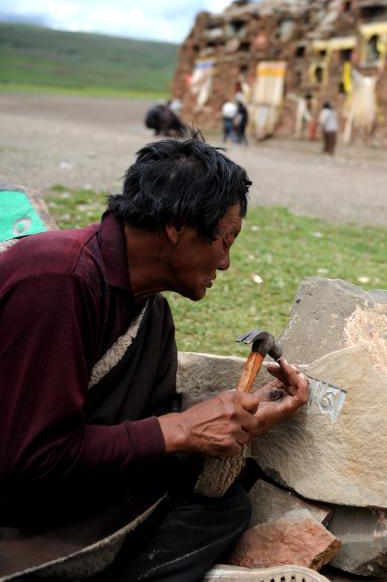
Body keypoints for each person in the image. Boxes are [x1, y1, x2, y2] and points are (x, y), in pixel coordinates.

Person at [0, 133, 308, 581]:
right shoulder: (56, 280)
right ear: (177, 225)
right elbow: (26, 459)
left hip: (68, 490)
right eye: (225, 240)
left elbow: (147, 433)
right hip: (15, 506)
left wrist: (239, 422)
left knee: (221, 508)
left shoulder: (152, 313)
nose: (225, 263)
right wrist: (183, 427)